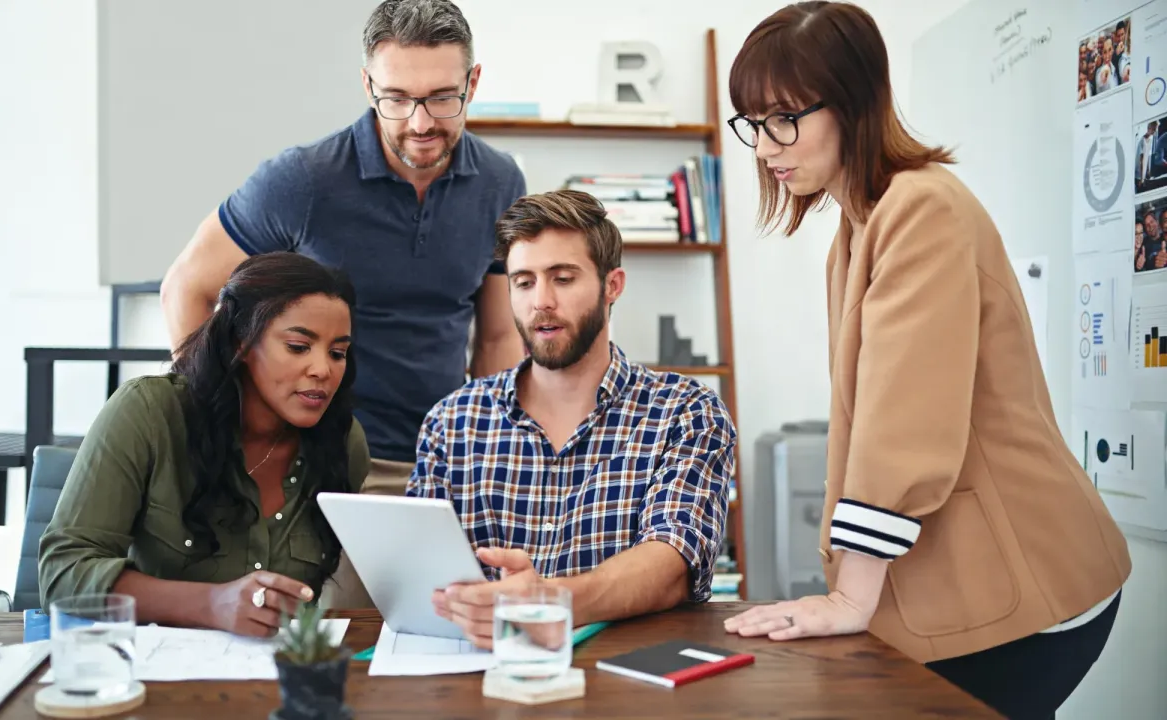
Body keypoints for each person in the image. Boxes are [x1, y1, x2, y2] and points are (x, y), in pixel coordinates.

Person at [720, 4, 1130, 719]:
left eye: (784, 118)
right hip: (969, 577)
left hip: (1025, 577)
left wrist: (851, 595)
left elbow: (901, 422)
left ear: (851, 103)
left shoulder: (920, 209)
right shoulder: (860, 225)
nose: (764, 146)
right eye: (753, 123)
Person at [159, 0, 526, 502]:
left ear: (473, 82)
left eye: (442, 98)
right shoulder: (303, 181)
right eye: (396, 98)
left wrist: (494, 449)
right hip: (321, 461)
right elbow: (186, 288)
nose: (420, 123)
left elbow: (498, 337)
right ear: (368, 87)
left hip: (448, 460)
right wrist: (220, 424)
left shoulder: (501, 182)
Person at [405, 190, 737, 649]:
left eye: (562, 279)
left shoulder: (686, 412)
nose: (541, 301)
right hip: (477, 679)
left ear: (612, 285)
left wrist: (548, 601)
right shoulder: (452, 422)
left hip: (627, 681)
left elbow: (671, 566)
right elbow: (419, 574)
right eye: (523, 282)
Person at [39, 252, 371, 637]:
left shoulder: (343, 442)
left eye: (338, 352)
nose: (323, 369)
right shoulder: (149, 414)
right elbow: (63, 572)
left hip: (286, 677)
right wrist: (211, 604)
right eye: (299, 346)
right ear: (239, 344)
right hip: (152, 674)